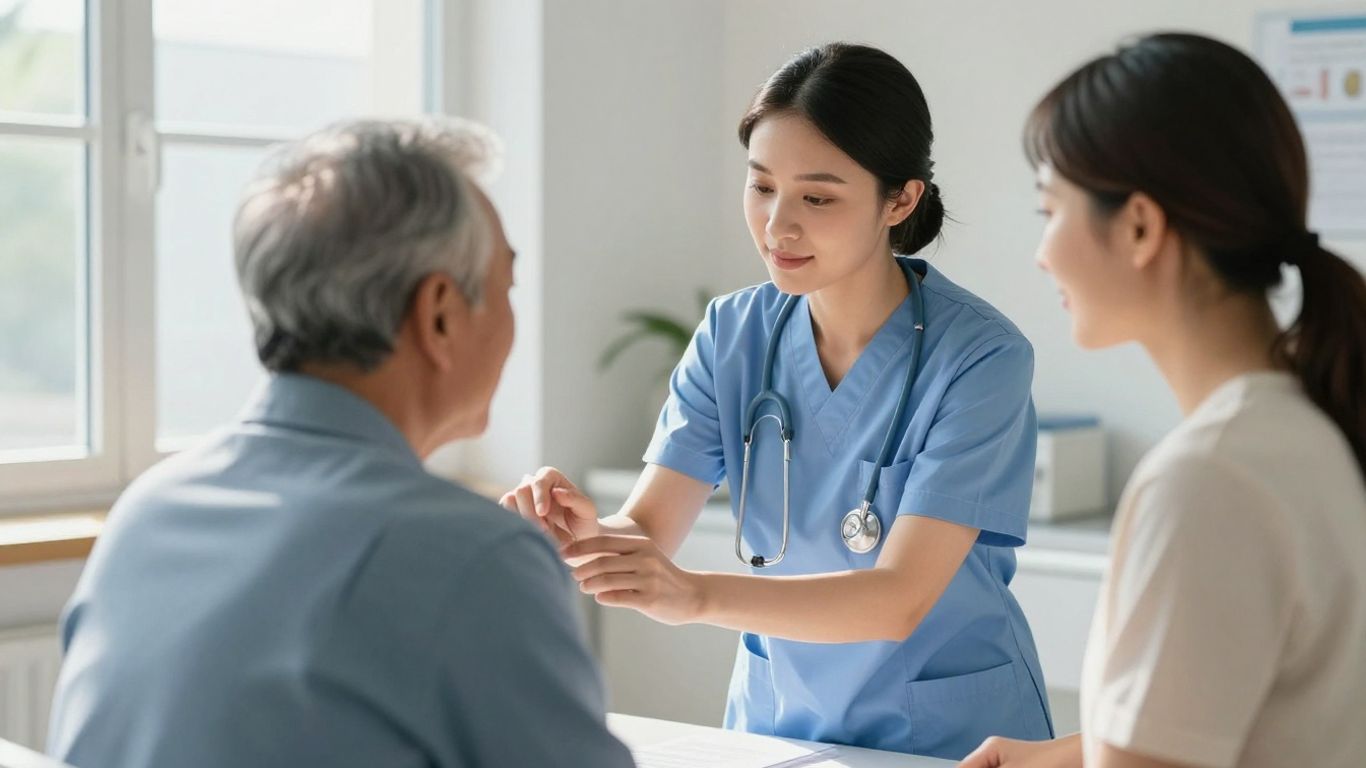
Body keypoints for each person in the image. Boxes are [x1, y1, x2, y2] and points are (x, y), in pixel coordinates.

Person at [506, 43, 1053, 760]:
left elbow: (898, 598)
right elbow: (647, 535)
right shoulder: (734, 334)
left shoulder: (980, 357)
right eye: (762, 187)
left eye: (817, 197)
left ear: (901, 199)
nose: (777, 226)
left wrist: (697, 596)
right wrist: (579, 535)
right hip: (780, 725)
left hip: (952, 738)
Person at [46, 118, 634, 768]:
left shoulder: (147, 512)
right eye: (506, 288)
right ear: (438, 313)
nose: (511, 315)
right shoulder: (474, 560)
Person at [960, 32, 1366, 768]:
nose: (1041, 251)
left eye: (1050, 211)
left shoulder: (1207, 480)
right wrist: (1074, 755)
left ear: (1141, 226)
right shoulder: (1310, 433)